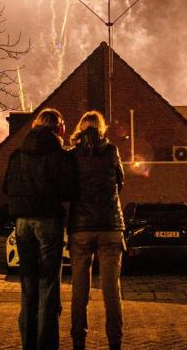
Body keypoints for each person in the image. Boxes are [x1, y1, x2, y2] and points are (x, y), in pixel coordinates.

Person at [3, 108, 74, 350]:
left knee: (28, 283)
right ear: (59, 128)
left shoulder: (17, 155)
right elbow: (68, 191)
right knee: (49, 284)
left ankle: (28, 344)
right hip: (49, 221)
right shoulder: (61, 156)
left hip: (22, 222)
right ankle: (47, 345)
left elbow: (6, 187)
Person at [67, 110, 125, 350]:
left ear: (81, 128)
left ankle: (78, 341)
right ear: (101, 129)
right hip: (110, 225)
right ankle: (115, 342)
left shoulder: (72, 156)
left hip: (80, 227)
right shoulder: (111, 151)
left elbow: (68, 189)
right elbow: (120, 182)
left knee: (79, 287)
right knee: (112, 288)